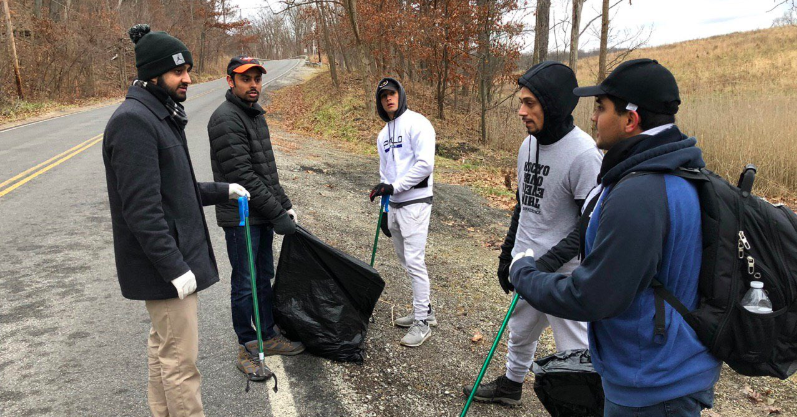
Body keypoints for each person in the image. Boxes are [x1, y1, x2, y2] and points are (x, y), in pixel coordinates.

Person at [510, 59, 722, 416]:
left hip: (653, 385)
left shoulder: (640, 192)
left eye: (601, 108)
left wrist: (526, 273)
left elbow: (592, 296)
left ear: (630, 119)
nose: (592, 118)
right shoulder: (672, 170)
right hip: (659, 371)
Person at [103, 24, 249, 417]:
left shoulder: (159, 114)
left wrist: (223, 189)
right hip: (166, 271)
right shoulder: (134, 121)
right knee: (181, 364)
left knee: (163, 351)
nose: (188, 78)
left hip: (171, 266)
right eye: (179, 71)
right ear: (153, 74)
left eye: (188, 69)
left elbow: (176, 190)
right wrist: (174, 268)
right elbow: (142, 209)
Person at [463, 61, 603, 405]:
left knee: (575, 352)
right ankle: (511, 386)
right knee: (520, 331)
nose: (521, 111)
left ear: (553, 104)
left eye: (530, 103)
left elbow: (590, 225)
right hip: (527, 266)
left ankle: (585, 409)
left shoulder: (585, 155)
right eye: (521, 102)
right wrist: (508, 255)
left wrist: (546, 265)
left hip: (564, 275)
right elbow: (522, 205)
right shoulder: (528, 146)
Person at [207, 56, 305, 382]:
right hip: (241, 217)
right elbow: (244, 177)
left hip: (261, 213)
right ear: (230, 81)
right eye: (246, 79)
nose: (253, 85)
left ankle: (267, 334)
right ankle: (247, 345)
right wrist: (276, 212)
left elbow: (266, 171)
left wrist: (285, 204)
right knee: (246, 280)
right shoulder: (225, 119)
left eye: (257, 79)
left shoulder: (254, 116)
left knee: (264, 274)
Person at [369, 77, 436, 347]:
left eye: (392, 93)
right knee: (405, 260)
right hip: (395, 206)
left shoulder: (418, 123)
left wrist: (395, 187)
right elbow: (385, 173)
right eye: (383, 96)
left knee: (415, 260)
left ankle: (422, 323)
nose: (388, 99)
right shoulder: (382, 135)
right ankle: (425, 311)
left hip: (417, 202)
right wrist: (385, 209)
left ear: (401, 94)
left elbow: (424, 165)